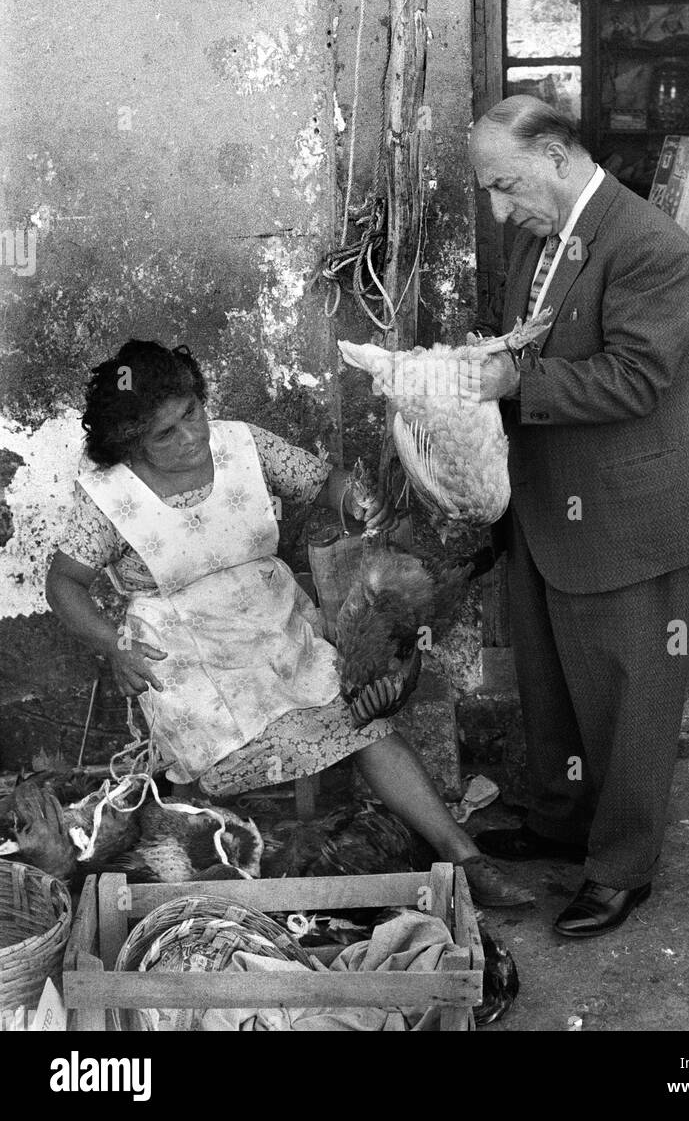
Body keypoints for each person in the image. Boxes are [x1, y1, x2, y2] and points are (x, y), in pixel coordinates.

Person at [45, 339, 530, 908]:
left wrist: (356, 501)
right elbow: (63, 586)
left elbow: (325, 482)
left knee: (359, 716)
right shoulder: (110, 496)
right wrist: (114, 646)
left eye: (192, 414)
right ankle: (203, 879)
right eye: (165, 434)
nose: (191, 437)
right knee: (204, 743)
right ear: (130, 443)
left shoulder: (243, 445)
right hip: (177, 646)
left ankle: (463, 856)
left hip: (273, 619)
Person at [467, 96, 689, 937]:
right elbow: (527, 347)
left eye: (505, 186)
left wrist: (512, 385)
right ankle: (560, 821)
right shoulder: (535, 237)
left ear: (557, 156)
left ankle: (621, 868)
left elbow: (637, 377)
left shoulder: (649, 243)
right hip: (547, 505)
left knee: (628, 702)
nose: (500, 209)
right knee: (551, 688)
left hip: (630, 516)